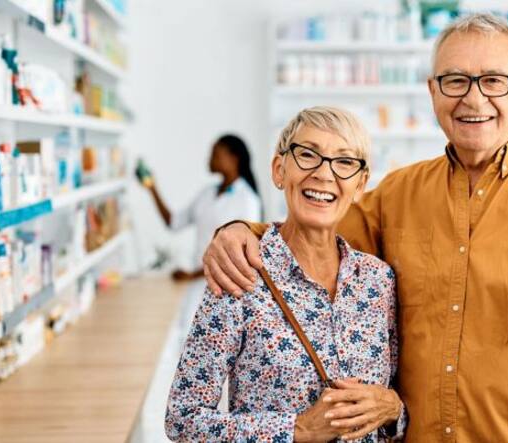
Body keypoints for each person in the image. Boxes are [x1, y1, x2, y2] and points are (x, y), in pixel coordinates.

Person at [201, 13, 508, 443]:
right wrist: (242, 228)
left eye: (493, 81)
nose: (473, 98)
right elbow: (315, 232)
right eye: (455, 80)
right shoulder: (398, 194)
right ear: (433, 91)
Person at [165, 107, 406, 442]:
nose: (324, 174)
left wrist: (394, 409)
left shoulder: (378, 281)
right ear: (279, 170)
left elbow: (393, 402)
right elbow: (183, 419)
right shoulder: (240, 271)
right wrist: (296, 429)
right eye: (308, 155)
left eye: (344, 161)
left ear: (360, 184)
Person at [138, 134, 262, 281]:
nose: (209, 159)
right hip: (200, 281)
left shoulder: (247, 200)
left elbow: (243, 254)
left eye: (215, 154)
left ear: (233, 159)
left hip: (227, 285)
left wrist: (192, 275)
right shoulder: (207, 193)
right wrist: (152, 188)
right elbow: (173, 222)